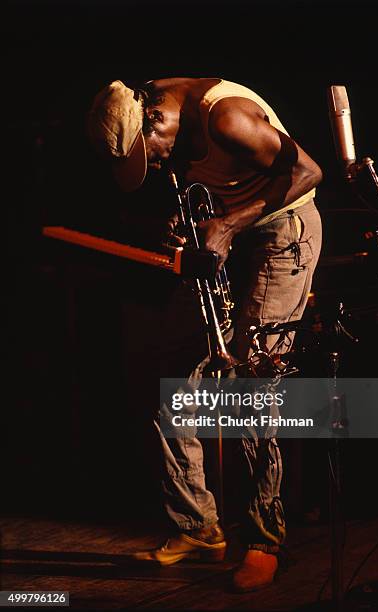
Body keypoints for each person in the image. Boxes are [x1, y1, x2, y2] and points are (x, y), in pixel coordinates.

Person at [87, 77, 322, 592]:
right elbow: (207, 183)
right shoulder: (158, 104)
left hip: (283, 231)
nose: (156, 166)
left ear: (158, 121)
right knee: (167, 377)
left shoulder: (228, 117)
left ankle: (264, 538)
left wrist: (232, 224)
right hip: (228, 232)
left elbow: (308, 172)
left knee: (251, 388)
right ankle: (197, 526)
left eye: (150, 154)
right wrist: (184, 220)